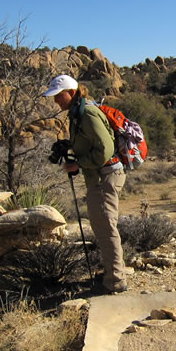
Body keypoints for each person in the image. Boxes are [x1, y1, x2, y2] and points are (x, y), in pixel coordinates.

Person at [43, 74, 127, 293]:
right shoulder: (77, 113)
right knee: (101, 227)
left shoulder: (87, 113)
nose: (56, 101)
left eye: (59, 96)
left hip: (106, 176)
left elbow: (105, 150)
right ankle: (110, 274)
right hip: (99, 177)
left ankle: (115, 282)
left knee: (107, 228)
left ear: (71, 93)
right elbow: (89, 142)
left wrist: (78, 164)